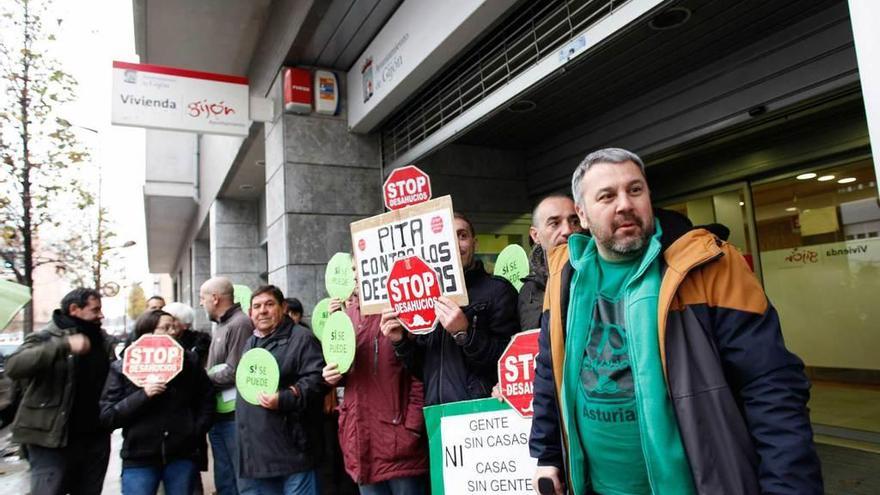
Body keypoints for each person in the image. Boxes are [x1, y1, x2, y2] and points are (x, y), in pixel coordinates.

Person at [529, 148, 823, 494]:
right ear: (582, 213)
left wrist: (788, 487)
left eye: (635, 190)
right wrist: (547, 455)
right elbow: (549, 370)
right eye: (607, 196)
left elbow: (771, 387)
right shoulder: (565, 276)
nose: (624, 204)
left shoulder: (709, 265)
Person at [381, 213, 519, 406]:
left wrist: (465, 334)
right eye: (445, 237)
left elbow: (511, 359)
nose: (454, 243)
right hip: (438, 417)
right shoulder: (425, 297)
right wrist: (401, 342)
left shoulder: (498, 291)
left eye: (461, 236)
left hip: (483, 414)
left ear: (474, 243)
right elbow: (423, 370)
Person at [323, 276, 428, 494]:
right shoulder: (348, 316)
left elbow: (421, 373)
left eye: (358, 268)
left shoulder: (402, 312)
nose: (354, 275)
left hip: (400, 445)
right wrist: (333, 375)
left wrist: (412, 428)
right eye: (353, 269)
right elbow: (350, 373)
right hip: (361, 442)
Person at [6, 288, 116, 495]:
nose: (101, 315)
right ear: (75, 309)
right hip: (51, 440)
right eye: (95, 309)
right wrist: (63, 345)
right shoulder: (45, 336)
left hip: (95, 439)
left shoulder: (102, 340)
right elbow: (14, 366)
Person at [100, 310, 214, 495]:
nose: (173, 332)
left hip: (182, 454)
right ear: (147, 332)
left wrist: (195, 429)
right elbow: (108, 415)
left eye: (174, 326)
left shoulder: (189, 361)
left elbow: (206, 398)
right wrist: (143, 395)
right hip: (139, 457)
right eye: (165, 327)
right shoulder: (123, 367)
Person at [235, 285, 327, 494]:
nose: (263, 311)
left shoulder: (302, 338)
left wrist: (285, 398)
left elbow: (317, 381)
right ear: (250, 313)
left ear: (283, 307)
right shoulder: (251, 342)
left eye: (269, 304)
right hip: (255, 456)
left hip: (292, 452)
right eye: (257, 306)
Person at [200, 277, 254, 495]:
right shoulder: (221, 325)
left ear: (215, 298)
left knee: (241, 480)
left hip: (235, 417)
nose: (200, 303)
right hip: (219, 415)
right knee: (224, 479)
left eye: (202, 298)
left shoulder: (239, 324)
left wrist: (201, 380)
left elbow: (236, 371)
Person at [519, 194, 582, 331]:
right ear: (536, 235)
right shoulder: (530, 290)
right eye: (554, 223)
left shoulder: (599, 275)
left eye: (575, 222)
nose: (567, 231)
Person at [164, 302, 212, 367]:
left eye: (173, 319)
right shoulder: (158, 340)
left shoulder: (200, 343)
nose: (169, 323)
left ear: (185, 324)